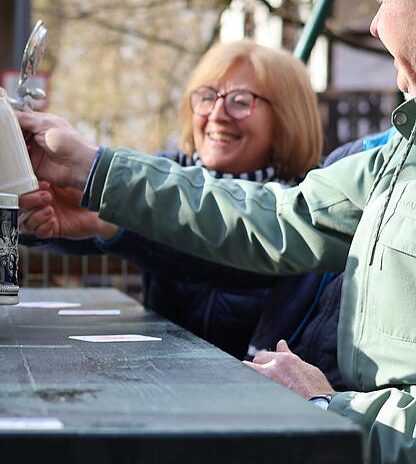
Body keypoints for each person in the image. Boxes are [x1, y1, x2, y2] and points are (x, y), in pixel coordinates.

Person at [17, 0, 416, 464]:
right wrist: (93, 172)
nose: (375, 25)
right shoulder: (397, 157)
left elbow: (244, 238)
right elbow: (276, 217)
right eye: (207, 95)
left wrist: (330, 409)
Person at [22, 40, 343, 378]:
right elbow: (76, 231)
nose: (217, 115)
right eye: (206, 97)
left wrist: (113, 225)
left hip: (254, 390)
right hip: (162, 379)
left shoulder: (307, 203)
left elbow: (231, 244)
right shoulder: (163, 172)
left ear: (286, 116)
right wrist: (38, 213)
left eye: (239, 102)